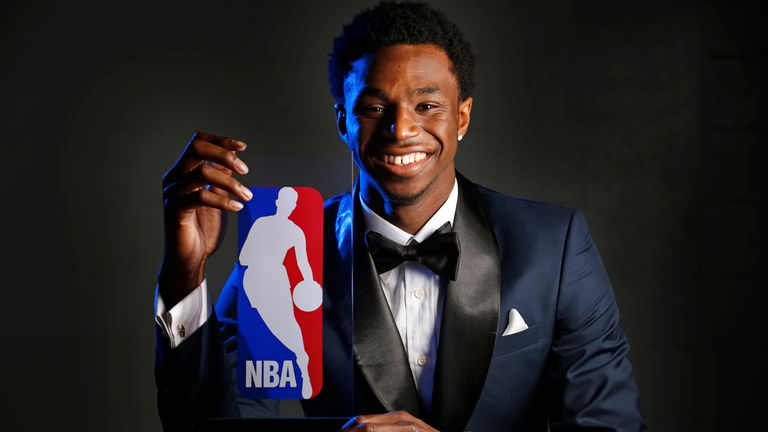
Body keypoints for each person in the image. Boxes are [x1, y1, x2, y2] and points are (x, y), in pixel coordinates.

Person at [154, 1, 648, 431]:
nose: (401, 128)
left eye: (427, 104)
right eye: (373, 107)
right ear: (343, 120)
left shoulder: (553, 246)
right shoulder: (288, 253)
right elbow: (216, 428)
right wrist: (185, 271)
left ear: (462, 117)